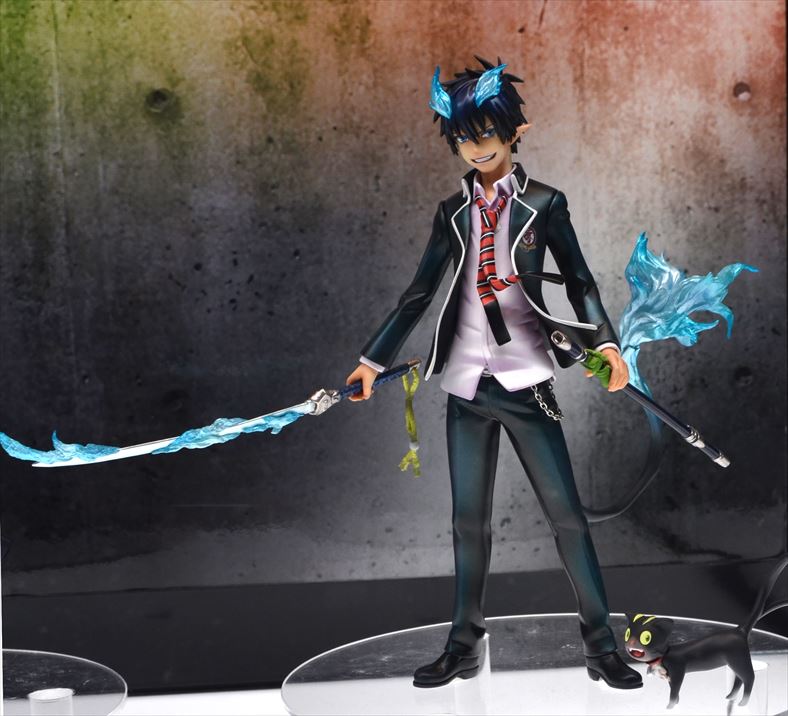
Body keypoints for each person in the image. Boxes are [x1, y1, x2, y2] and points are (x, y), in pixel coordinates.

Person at [346, 57, 641, 690]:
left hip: (526, 381)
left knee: (567, 517)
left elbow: (581, 281)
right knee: (467, 523)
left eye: (484, 134)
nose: (475, 147)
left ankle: (601, 645)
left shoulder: (543, 204)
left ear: (515, 132)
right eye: (462, 137)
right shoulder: (452, 212)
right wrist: (372, 362)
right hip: (465, 386)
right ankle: (463, 644)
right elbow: (418, 293)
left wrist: (608, 346)